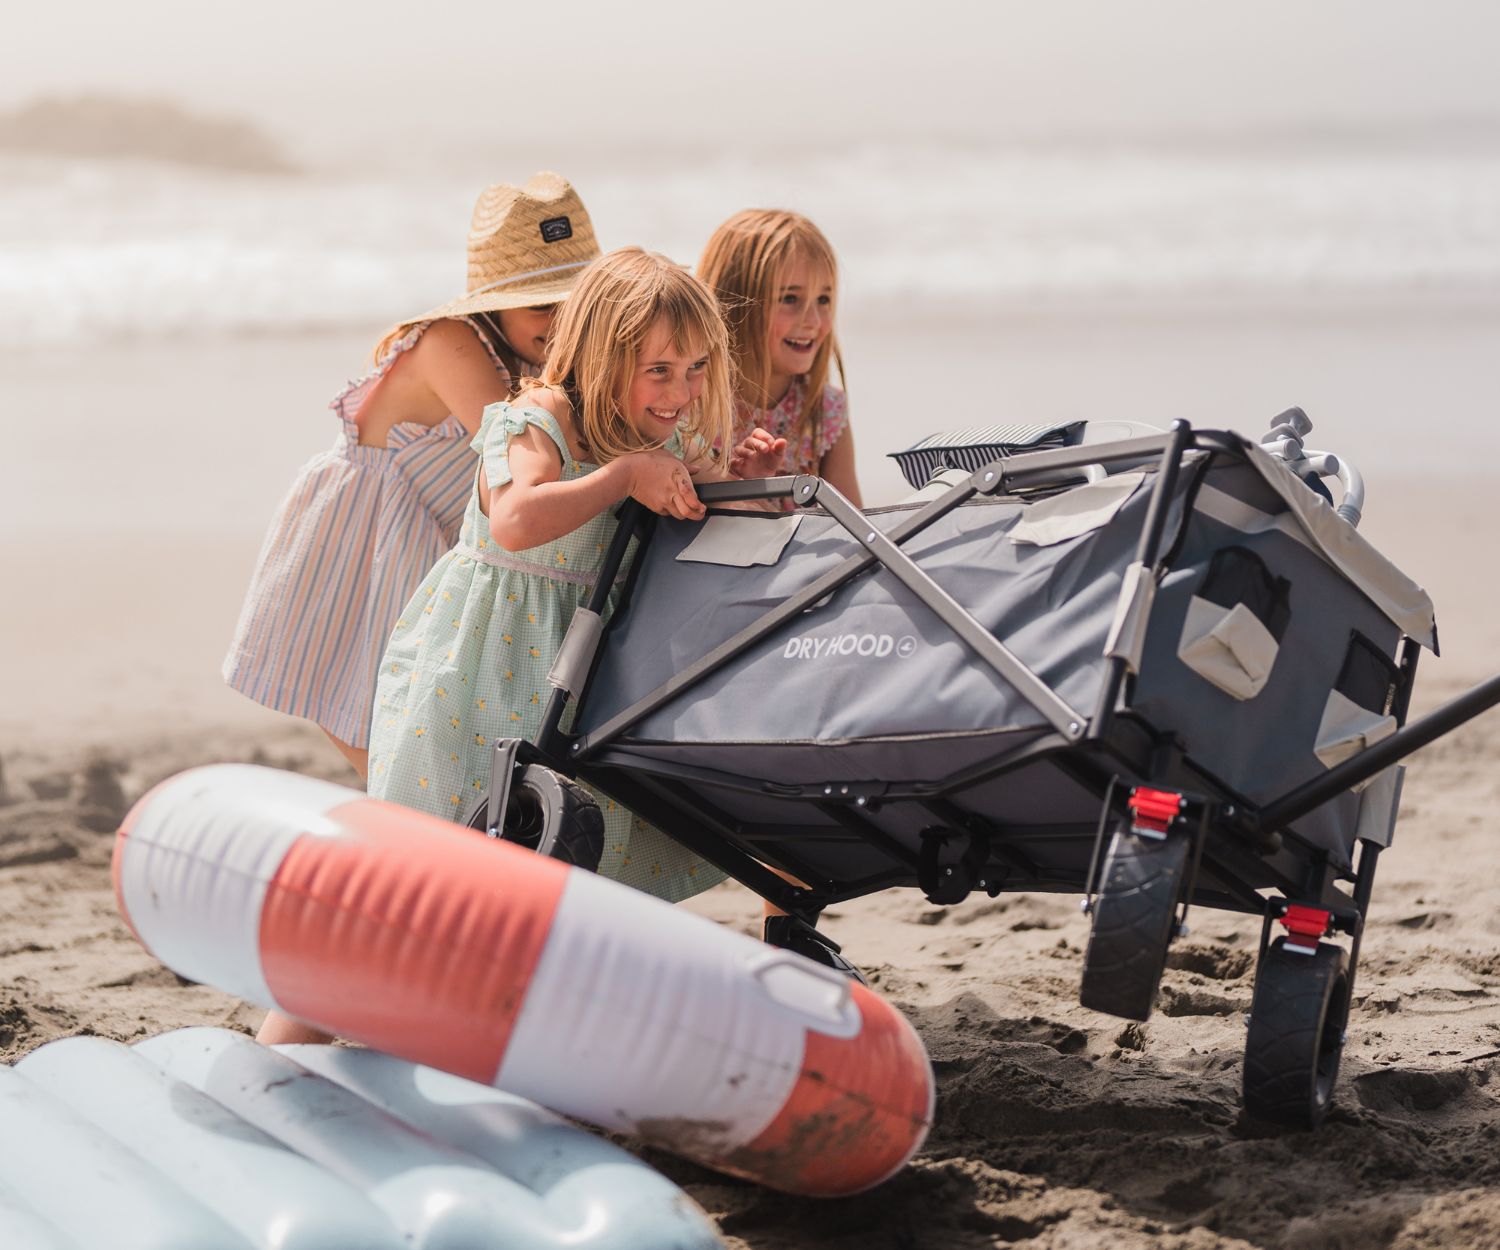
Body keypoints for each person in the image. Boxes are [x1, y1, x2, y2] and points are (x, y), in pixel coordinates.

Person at [222, 173, 601, 780]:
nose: (558, 322)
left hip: (439, 531)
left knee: (430, 719)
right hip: (369, 530)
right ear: (494, 303)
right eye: (539, 305)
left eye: (573, 303)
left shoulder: (541, 357)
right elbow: (521, 438)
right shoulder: (452, 343)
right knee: (388, 723)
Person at [698, 208, 861, 505]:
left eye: (823, 299)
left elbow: (856, 530)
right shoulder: (693, 404)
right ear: (734, 304)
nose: (813, 320)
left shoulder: (824, 410)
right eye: (790, 298)